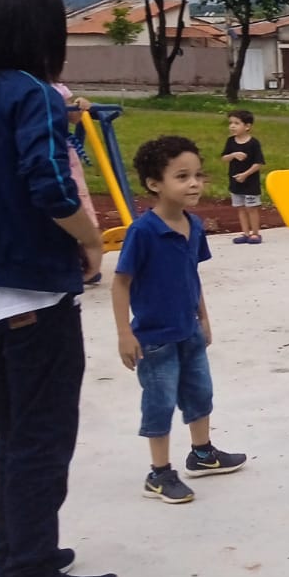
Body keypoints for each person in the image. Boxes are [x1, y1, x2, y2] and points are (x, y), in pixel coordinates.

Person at [0, 0, 119, 577]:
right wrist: (90, 239)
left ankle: (16, 558)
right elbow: (50, 185)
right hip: (32, 292)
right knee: (42, 437)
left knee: (13, 435)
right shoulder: (31, 94)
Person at [112, 135, 247, 504]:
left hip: (187, 328)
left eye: (198, 175)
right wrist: (125, 333)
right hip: (154, 338)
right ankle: (159, 474)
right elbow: (120, 283)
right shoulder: (142, 232)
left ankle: (202, 454)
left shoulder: (195, 225)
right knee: (159, 401)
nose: (194, 184)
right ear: (155, 184)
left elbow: (192, 275)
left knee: (199, 392)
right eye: (182, 176)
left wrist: (203, 317)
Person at [54, 82, 102, 283]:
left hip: (66, 154)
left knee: (78, 199)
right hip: (47, 150)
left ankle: (88, 263)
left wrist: (79, 105)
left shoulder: (56, 89)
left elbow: (73, 117)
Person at [221, 109, 265, 244]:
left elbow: (259, 163)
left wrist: (245, 175)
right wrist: (233, 155)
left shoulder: (253, 143)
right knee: (240, 208)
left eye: (236, 123)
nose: (232, 126)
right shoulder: (230, 142)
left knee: (251, 208)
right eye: (231, 123)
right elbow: (224, 158)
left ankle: (255, 233)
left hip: (250, 182)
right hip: (235, 181)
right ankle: (245, 233)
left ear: (247, 126)